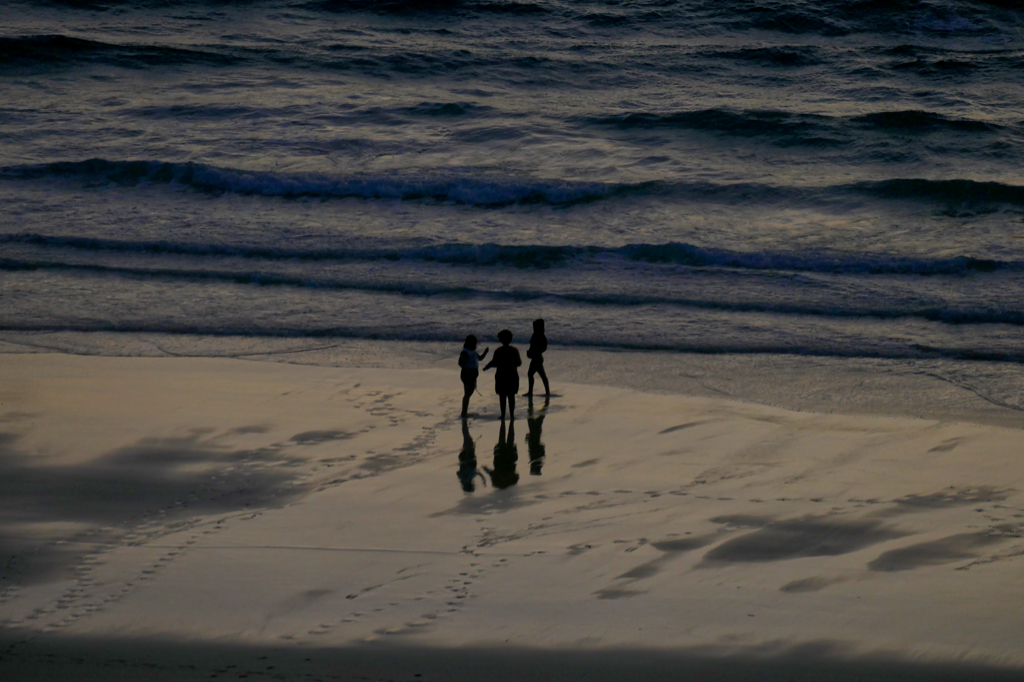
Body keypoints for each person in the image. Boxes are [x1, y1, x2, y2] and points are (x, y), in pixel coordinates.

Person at [482, 329, 521, 420]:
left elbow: (493, 362)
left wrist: (486, 367)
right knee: (511, 396)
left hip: (501, 375)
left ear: (500, 340)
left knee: (502, 396)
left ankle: (503, 414)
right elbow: (519, 363)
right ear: (511, 339)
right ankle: (512, 415)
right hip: (512, 374)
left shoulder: (498, 350)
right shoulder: (514, 350)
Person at [458, 335, 489, 418]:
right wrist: (468, 371)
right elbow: (461, 363)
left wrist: (485, 352)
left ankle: (464, 411)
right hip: (467, 373)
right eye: (474, 343)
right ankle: (464, 412)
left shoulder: (472, 352)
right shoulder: (465, 352)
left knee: (469, 391)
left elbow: (480, 358)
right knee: (467, 393)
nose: (475, 345)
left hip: (472, 374)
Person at [484, 420, 519, 489]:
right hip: (501, 458)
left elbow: (517, 475)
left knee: (509, 440)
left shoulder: (511, 480)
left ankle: (509, 423)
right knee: (502, 440)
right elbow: (491, 473)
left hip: (508, 458)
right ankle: (505, 423)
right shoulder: (498, 479)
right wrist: (486, 469)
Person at [524, 318, 550, 397]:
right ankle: (547, 391)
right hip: (536, 357)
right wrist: (530, 352)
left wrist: (535, 352)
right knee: (541, 375)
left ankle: (531, 392)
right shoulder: (535, 335)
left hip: (537, 358)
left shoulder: (541, 336)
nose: (534, 328)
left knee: (531, 374)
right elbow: (532, 346)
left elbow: (544, 347)